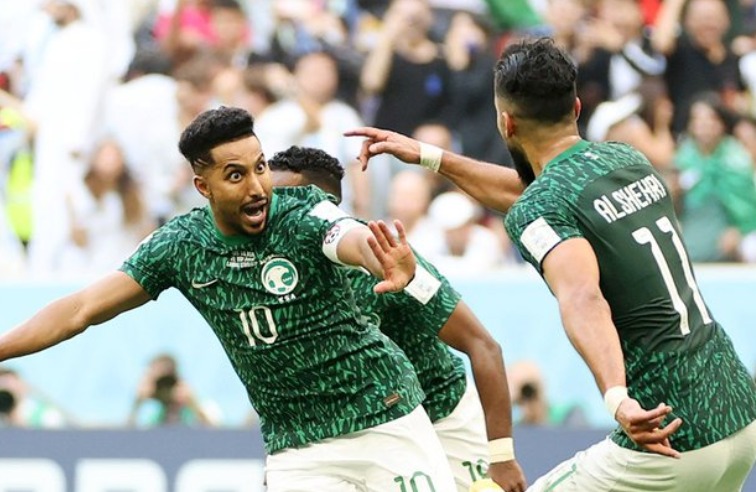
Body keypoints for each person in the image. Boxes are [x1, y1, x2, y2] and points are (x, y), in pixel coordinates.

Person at [347, 37, 756, 491]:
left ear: (506, 123)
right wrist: (431, 157)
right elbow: (536, 195)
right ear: (576, 107)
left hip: (667, 432)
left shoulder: (543, 206)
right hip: (737, 413)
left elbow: (582, 295)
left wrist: (616, 398)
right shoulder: (627, 159)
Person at [0, 106, 459, 492]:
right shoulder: (181, 245)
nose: (257, 187)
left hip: (384, 414)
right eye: (235, 175)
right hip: (299, 446)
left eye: (260, 168)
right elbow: (80, 309)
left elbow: (348, 237)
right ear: (204, 187)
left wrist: (381, 259)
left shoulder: (301, 211)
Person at [269, 145, 527, 492]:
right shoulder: (272, 274)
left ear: (325, 208)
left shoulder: (386, 258)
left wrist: (502, 456)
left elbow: (483, 346)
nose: (271, 210)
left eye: (285, 200)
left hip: (442, 416)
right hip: (354, 429)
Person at [128, 353, 218, 427]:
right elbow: (126, 439)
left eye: (167, 382)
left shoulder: (207, 407)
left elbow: (216, 436)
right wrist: (137, 404)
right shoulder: (152, 417)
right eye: (159, 384)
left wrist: (193, 403)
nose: (164, 388)